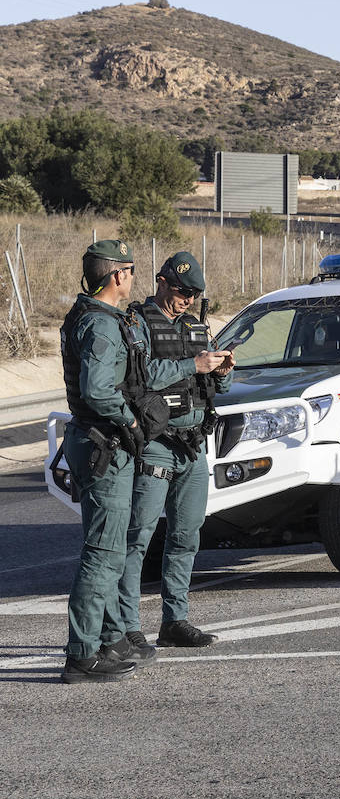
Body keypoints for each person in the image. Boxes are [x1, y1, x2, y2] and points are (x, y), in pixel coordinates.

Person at [58, 241, 222, 683]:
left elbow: (127, 377)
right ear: (117, 276)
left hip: (148, 442)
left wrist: (210, 371)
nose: (134, 277)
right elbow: (102, 390)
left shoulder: (103, 319)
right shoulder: (110, 323)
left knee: (135, 545)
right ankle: (87, 651)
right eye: (129, 270)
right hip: (117, 445)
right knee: (109, 551)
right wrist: (130, 419)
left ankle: (108, 640)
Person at [118, 252, 234, 653]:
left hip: (193, 445)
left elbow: (221, 386)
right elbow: (141, 376)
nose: (187, 299)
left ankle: (175, 621)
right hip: (155, 444)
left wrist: (221, 370)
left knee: (186, 536)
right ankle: (128, 627)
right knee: (139, 536)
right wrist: (194, 365)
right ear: (162, 282)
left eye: (194, 293)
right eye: (183, 290)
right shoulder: (137, 324)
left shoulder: (198, 327)